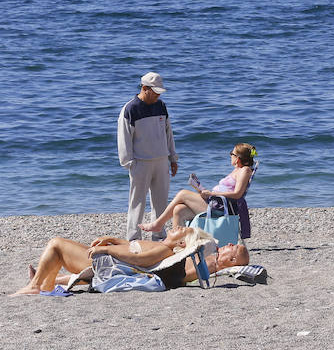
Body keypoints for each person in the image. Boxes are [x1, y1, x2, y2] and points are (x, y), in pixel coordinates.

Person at [13, 226, 249, 296]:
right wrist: (112, 240)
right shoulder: (164, 247)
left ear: (180, 245)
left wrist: (109, 250)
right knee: (61, 247)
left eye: (181, 230)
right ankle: (45, 281)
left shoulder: (164, 250)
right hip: (114, 261)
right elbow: (134, 249)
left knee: (56, 243)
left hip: (110, 264)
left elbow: (138, 258)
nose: (177, 227)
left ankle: (36, 287)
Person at [140, 143, 256, 233]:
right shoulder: (237, 170)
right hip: (215, 203)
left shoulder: (244, 170)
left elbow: (237, 194)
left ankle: (158, 224)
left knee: (182, 194)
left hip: (222, 208)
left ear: (238, 158)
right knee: (178, 210)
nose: (230, 156)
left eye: (232, 153)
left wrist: (212, 194)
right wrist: (206, 192)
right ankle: (178, 243)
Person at [118, 71, 178, 242]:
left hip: (161, 160)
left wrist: (172, 157)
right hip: (140, 162)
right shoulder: (130, 109)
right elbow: (124, 138)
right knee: (137, 203)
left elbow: (168, 133)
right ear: (145, 88)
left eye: (160, 92)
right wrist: (129, 163)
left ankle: (158, 235)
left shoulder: (161, 106)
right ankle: (133, 237)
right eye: (155, 92)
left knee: (160, 202)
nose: (158, 95)